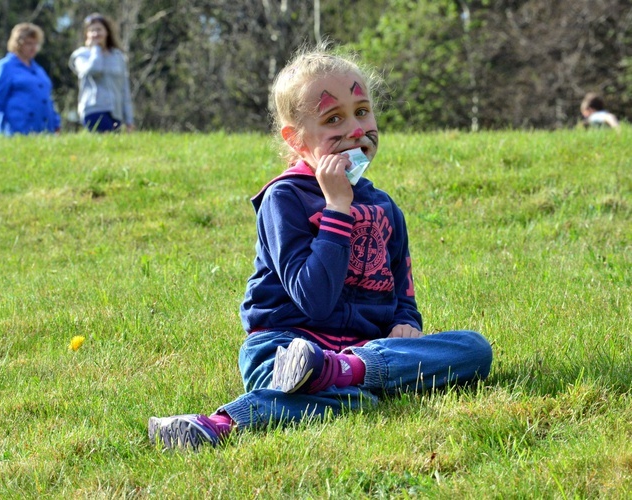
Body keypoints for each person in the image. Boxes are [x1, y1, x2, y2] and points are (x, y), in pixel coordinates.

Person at [148, 46, 493, 451]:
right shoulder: (284, 199)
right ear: (296, 140)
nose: (355, 129)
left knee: (474, 350)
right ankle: (222, 424)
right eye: (334, 119)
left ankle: (347, 371)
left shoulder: (385, 208)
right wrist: (337, 207)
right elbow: (314, 299)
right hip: (284, 347)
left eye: (362, 111)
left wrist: (407, 324)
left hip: (361, 352)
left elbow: (403, 290)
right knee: (357, 401)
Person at [0, 23, 61, 137]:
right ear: (18, 43)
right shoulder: (6, 66)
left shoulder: (39, 70)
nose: (33, 48)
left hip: (45, 130)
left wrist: (56, 123)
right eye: (28, 43)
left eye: (35, 44)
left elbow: (48, 99)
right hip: (17, 128)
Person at [69, 13, 135, 133]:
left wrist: (129, 119)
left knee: (114, 149)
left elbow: (124, 88)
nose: (96, 33)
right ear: (86, 35)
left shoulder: (118, 56)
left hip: (116, 112)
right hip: (94, 110)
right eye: (91, 30)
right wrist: (96, 49)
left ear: (107, 32)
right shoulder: (81, 55)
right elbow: (94, 70)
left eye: (99, 29)